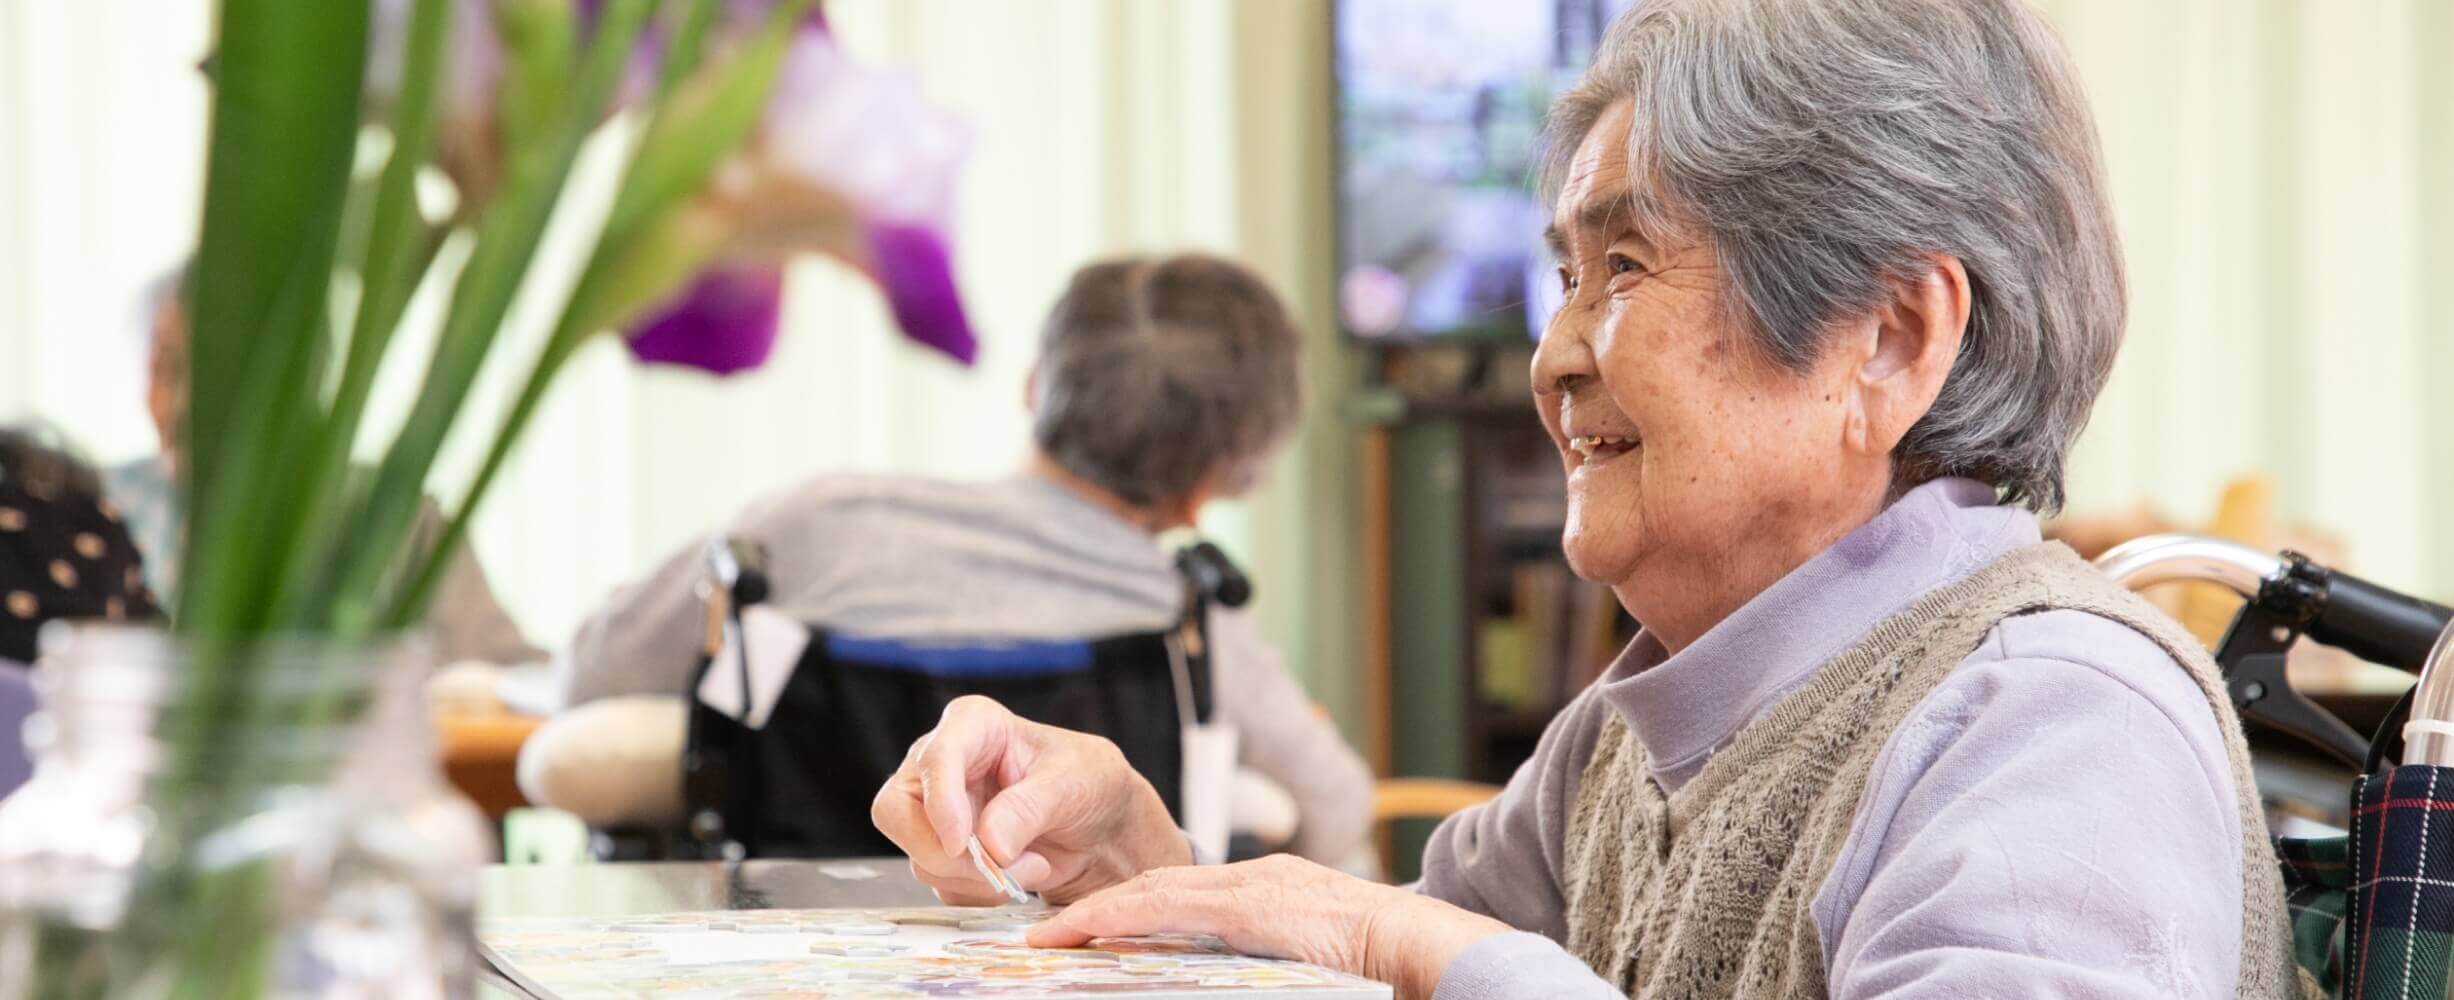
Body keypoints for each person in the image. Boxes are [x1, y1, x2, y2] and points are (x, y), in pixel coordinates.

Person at [872, 2, 2299, 997]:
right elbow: (1368, 974)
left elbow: (1418, 962)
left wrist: (1407, 950)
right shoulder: (1632, 736)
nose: (1552, 361)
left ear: (1886, 338)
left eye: (1623, 272)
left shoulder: (2052, 723)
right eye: (1563, 276)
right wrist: (1136, 863)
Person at [561, 253, 1373, 866]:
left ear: (1033, 387)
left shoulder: (817, 521)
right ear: (1211, 486)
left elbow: (593, 672)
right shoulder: (1185, 613)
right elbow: (1336, 808)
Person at [101, 268, 542, 666]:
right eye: (169, 369)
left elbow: (512, 682)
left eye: (217, 371)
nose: (186, 403)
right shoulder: (95, 516)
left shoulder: (391, 516)